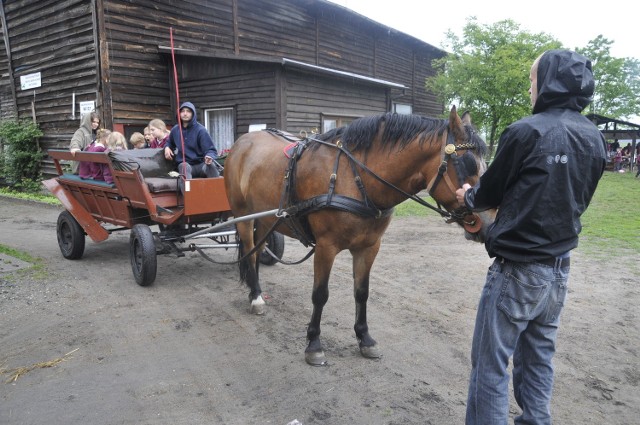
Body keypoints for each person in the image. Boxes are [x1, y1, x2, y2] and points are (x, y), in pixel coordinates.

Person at [455, 50, 606, 425]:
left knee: (489, 366)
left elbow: (487, 193)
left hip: (517, 270)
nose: (528, 88)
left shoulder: (526, 131)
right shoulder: (593, 137)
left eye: (532, 79)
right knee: (538, 358)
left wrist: (466, 197)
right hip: (559, 271)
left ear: (550, 82)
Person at [164, 102, 219, 193]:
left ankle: (217, 194)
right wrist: (167, 147)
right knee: (184, 166)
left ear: (193, 114)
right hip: (187, 166)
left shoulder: (201, 130)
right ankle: (189, 198)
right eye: (183, 111)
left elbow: (211, 150)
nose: (185, 113)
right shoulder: (175, 130)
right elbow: (169, 142)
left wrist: (209, 156)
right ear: (179, 113)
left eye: (188, 111)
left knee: (211, 166)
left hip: (201, 165)